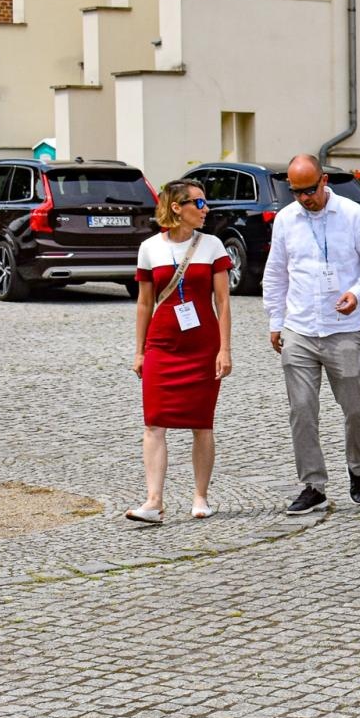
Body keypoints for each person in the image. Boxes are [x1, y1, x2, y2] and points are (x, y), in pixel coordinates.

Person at [263, 153, 360, 515]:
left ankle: (358, 468)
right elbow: (276, 274)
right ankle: (313, 484)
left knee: (354, 410)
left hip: (344, 330)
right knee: (301, 409)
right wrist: (276, 321)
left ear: (323, 182)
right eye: (296, 191)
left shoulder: (353, 215)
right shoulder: (286, 220)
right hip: (300, 328)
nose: (304, 198)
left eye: (309, 190)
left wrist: (357, 292)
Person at [128, 179, 233, 523]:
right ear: (177, 207)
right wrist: (140, 351)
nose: (206, 210)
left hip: (203, 347)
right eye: (199, 204)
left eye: (205, 204)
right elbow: (144, 303)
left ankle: (200, 497)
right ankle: (153, 501)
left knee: (202, 424)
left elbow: (222, 302)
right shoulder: (149, 248)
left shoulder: (213, 246)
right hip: (162, 345)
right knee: (154, 423)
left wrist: (225, 349)